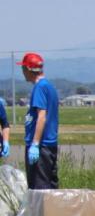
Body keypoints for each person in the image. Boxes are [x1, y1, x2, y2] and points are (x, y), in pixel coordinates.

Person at [19, 53, 60, 190]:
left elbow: (41, 115)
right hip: (49, 145)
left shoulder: (40, 87)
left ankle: (42, 208)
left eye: (23, 68)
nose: (23, 72)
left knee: (39, 189)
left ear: (28, 69)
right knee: (50, 187)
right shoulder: (49, 86)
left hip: (41, 146)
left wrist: (35, 144)